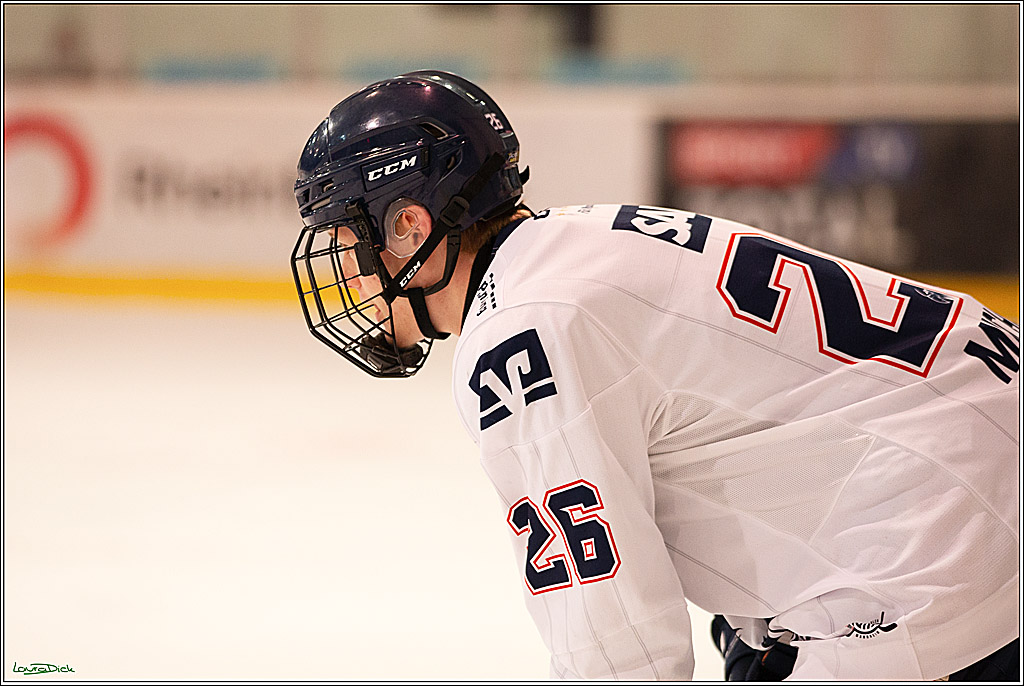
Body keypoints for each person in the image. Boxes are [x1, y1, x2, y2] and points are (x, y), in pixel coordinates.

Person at [289, 70, 1020, 680]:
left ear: (410, 226)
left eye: (351, 237)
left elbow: (617, 646)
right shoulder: (581, 239)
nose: (349, 270)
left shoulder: (520, 332)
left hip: (955, 557)